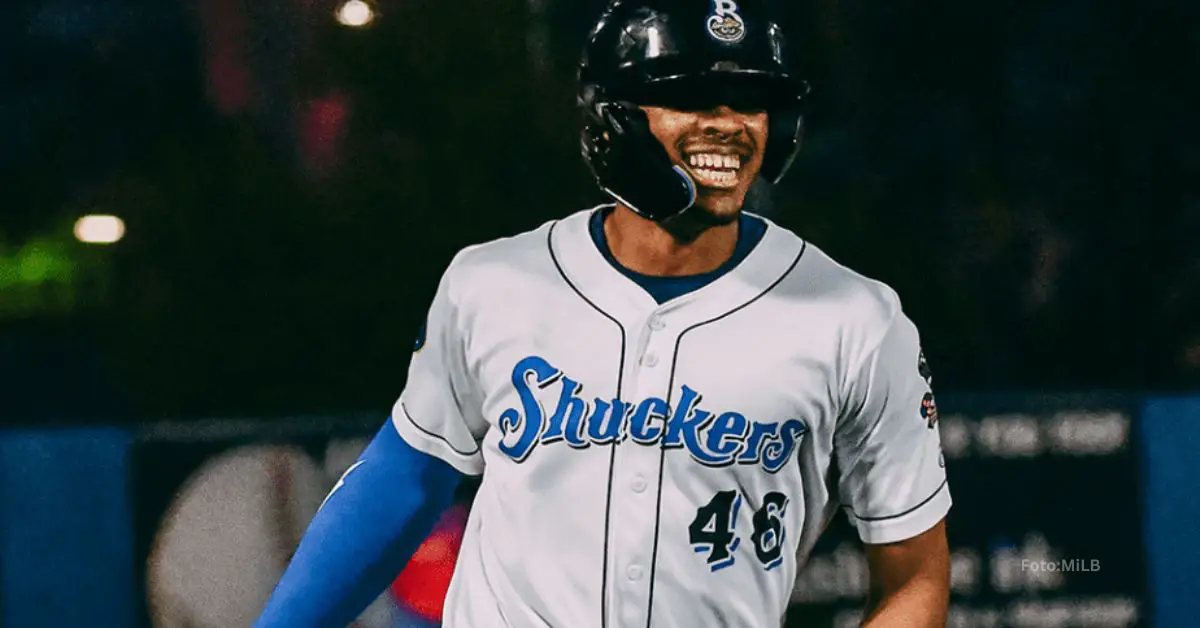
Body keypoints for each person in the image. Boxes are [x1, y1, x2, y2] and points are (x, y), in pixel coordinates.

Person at [255, 0, 952, 626]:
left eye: (750, 100)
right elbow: (401, 485)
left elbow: (914, 576)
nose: (728, 126)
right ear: (613, 118)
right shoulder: (493, 283)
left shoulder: (856, 319)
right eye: (691, 98)